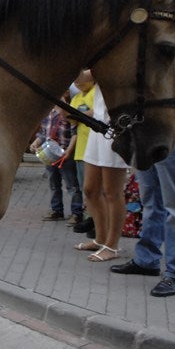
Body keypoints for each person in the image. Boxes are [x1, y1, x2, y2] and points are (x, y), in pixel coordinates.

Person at [111, 39, 175, 297]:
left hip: (172, 126)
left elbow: (158, 85)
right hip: (145, 128)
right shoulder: (151, 49)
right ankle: (147, 259)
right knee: (151, 199)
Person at [74, 70, 129, 263]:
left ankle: (112, 246)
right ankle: (100, 238)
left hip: (115, 128)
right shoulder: (99, 65)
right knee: (90, 189)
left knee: (112, 192)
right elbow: (80, 77)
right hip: (97, 128)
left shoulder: (114, 63)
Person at [30, 96, 82, 224]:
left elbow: (75, 133)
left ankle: (77, 212)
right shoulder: (48, 113)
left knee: (72, 185)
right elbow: (43, 134)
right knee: (53, 183)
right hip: (50, 154)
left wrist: (69, 151)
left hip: (64, 154)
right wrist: (35, 143)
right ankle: (56, 210)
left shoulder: (68, 112)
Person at [70, 70, 96, 233]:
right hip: (81, 150)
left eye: (81, 82)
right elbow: (71, 117)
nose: (78, 85)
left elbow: (95, 113)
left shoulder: (95, 93)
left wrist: (79, 115)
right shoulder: (77, 97)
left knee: (96, 189)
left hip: (93, 147)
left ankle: (97, 221)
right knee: (85, 188)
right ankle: (90, 217)